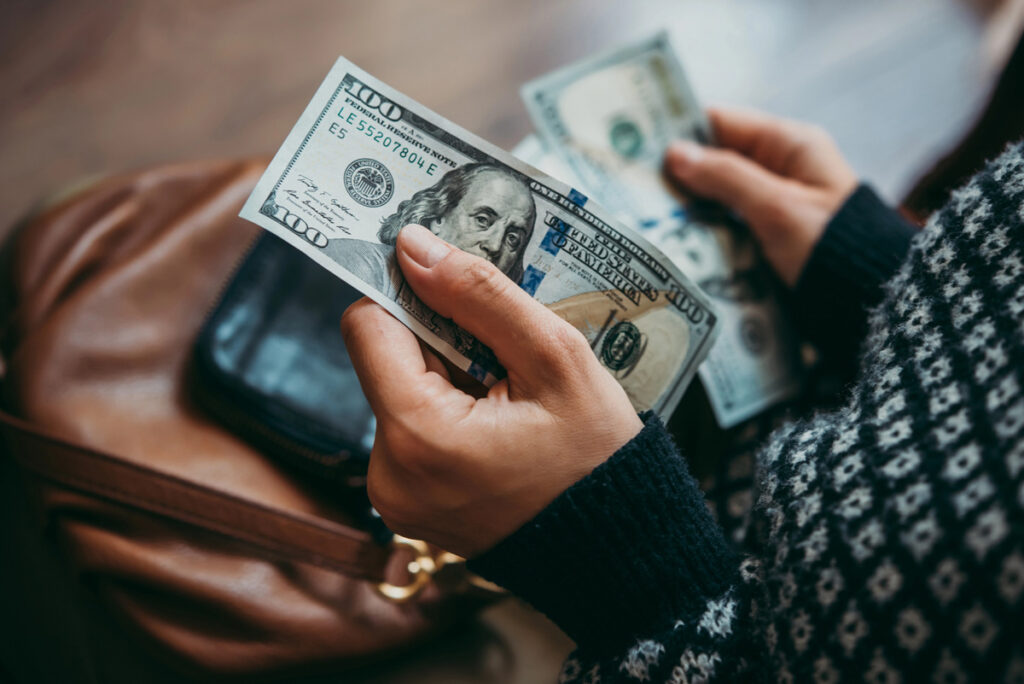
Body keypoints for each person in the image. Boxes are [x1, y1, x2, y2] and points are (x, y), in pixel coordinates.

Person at [340, 107, 1024, 680]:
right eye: (485, 219)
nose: (499, 244)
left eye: (515, 233)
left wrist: (615, 561)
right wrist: (899, 283)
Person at [326, 162, 536, 299]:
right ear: (437, 218)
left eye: (513, 239)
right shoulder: (362, 263)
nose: (494, 245)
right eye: (482, 220)